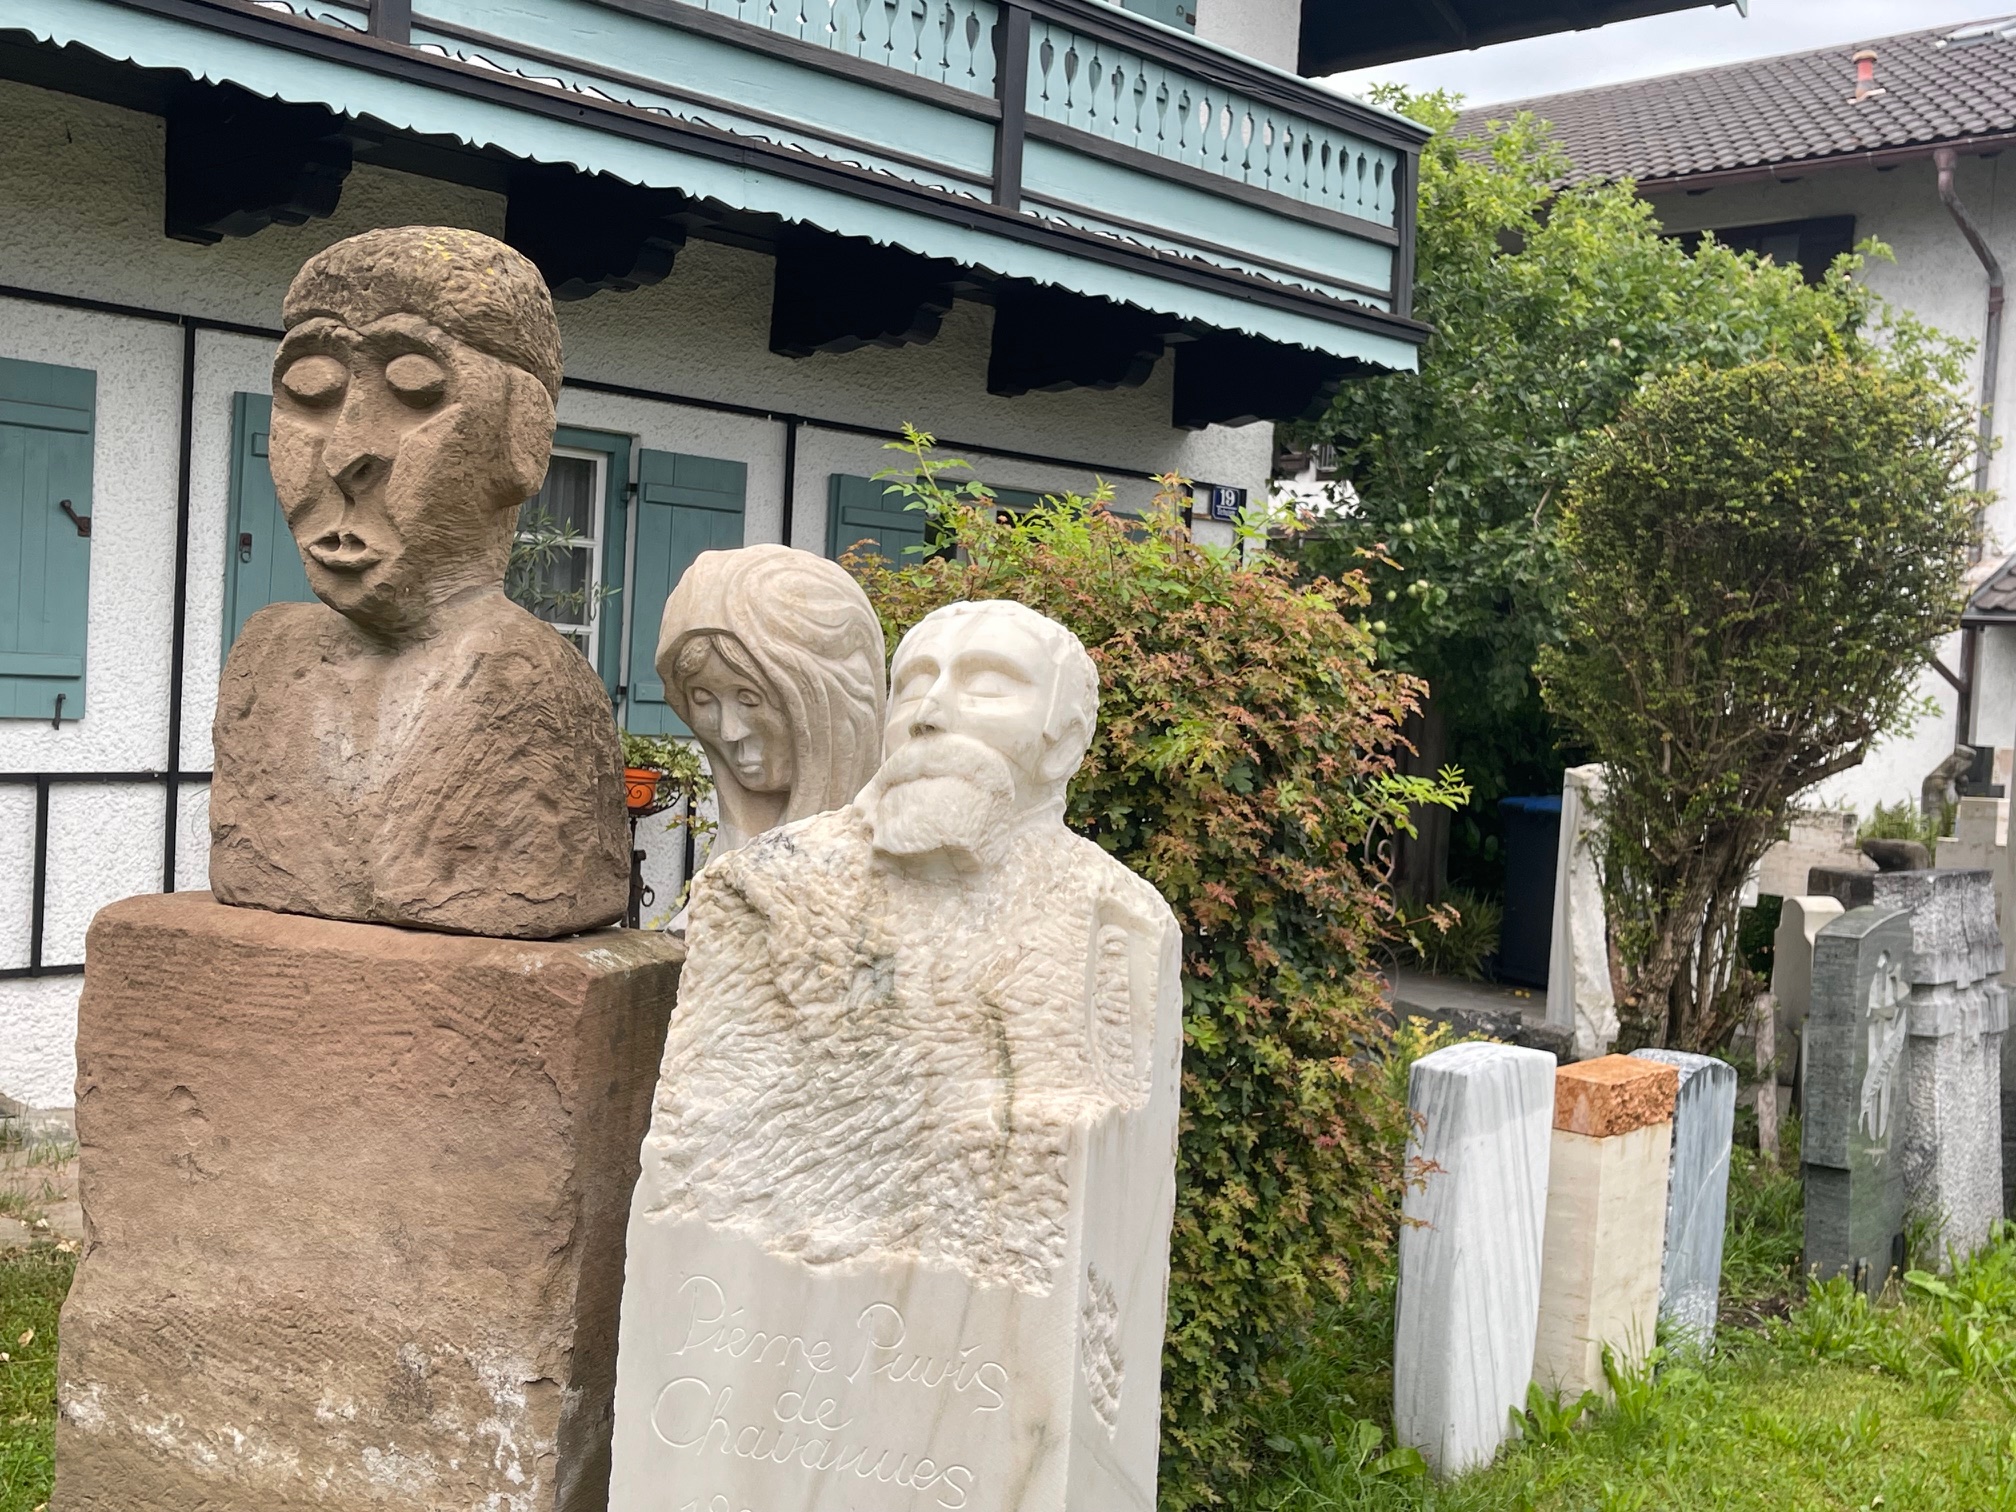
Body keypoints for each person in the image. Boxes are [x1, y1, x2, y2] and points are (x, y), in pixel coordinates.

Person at [637, 600, 1179, 1294]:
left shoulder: (1120, 923)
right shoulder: (766, 888)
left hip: (981, 1320)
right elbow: (709, 1130)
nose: (931, 713)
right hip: (752, 1299)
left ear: (1064, 743)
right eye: (915, 684)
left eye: (987, 686)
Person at [209, 226, 629, 939]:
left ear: (524, 436)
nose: (344, 452)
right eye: (310, 391)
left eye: (415, 390)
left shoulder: (531, 684)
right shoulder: (266, 657)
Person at [655, 544, 885, 860]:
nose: (729, 731)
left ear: (829, 702)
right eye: (703, 698)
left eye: (748, 699)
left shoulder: (893, 866)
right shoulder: (728, 868)